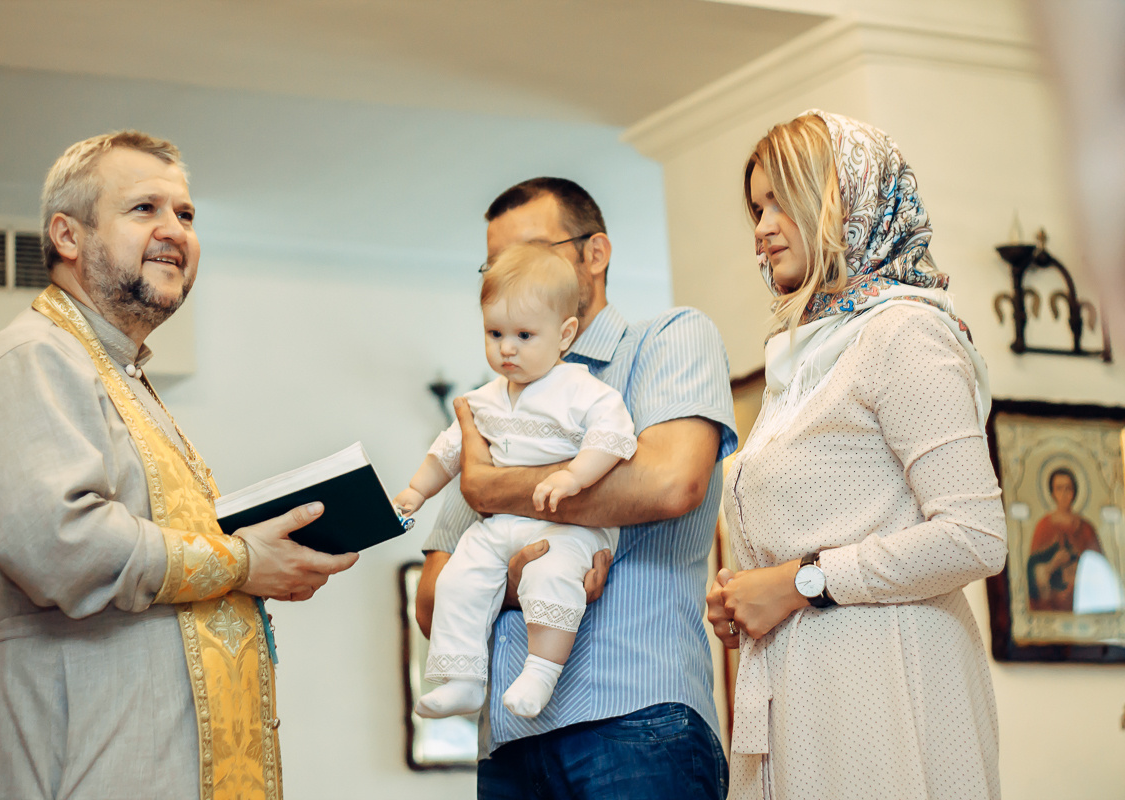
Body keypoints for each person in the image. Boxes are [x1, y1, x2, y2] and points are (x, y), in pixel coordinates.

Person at [0, 131, 358, 800]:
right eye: (144, 209)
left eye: (185, 214)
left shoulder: (122, 378)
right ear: (68, 236)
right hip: (70, 758)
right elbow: (60, 545)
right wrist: (243, 561)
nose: (175, 231)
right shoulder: (32, 356)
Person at [706, 111, 1008, 800]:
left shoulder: (903, 333)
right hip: (803, 687)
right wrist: (744, 594)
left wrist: (798, 583)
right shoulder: (807, 356)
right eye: (756, 208)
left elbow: (975, 535)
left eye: (781, 200)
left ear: (846, 201)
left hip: (887, 681)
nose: (762, 227)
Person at [418, 177, 736, 798]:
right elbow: (432, 599)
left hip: (639, 720)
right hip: (507, 747)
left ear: (596, 254)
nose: (514, 272)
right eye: (496, 262)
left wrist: (493, 489)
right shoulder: (494, 401)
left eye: (535, 249)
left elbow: (671, 483)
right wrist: (520, 575)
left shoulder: (667, 339)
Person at [395, 242, 637, 720]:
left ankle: (541, 671)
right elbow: (450, 450)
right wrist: (417, 490)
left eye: (524, 335)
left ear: (565, 334)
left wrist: (574, 475)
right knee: (459, 576)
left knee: (551, 576)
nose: (507, 347)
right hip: (500, 524)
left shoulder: (583, 390)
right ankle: (463, 679)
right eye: (495, 333)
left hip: (570, 525)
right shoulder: (484, 399)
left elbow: (611, 438)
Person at [1027, 468, 1104, 611]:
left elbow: (1100, 569)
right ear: (1052, 493)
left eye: (1068, 488)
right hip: (1051, 607)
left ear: (1074, 492)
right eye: (1059, 488)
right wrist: (1053, 563)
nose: (1064, 494)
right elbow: (1032, 572)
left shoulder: (1087, 528)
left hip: (1082, 603)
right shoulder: (1043, 526)